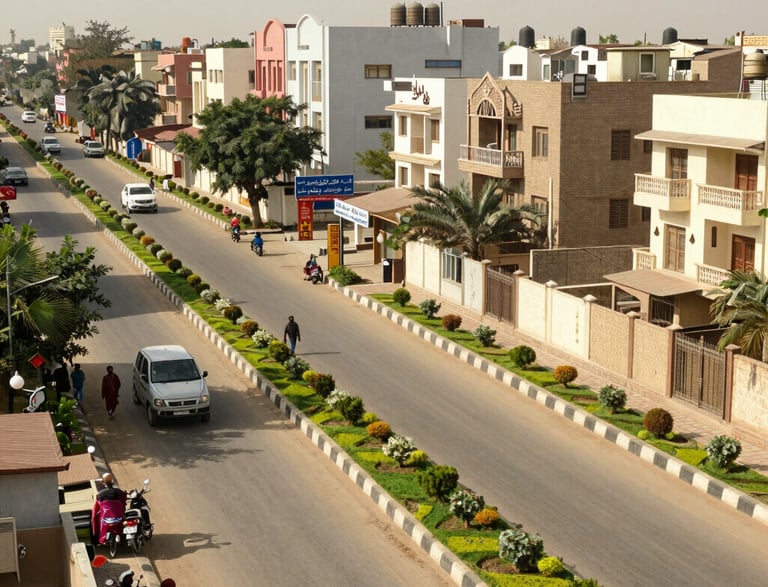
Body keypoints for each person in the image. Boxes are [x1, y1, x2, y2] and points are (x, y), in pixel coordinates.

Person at [91, 472, 127, 545]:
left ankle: (100, 537)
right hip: (118, 516)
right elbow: (124, 498)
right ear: (112, 482)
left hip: (105, 518)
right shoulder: (117, 491)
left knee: (97, 519)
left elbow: (97, 506)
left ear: (104, 483)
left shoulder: (100, 493)